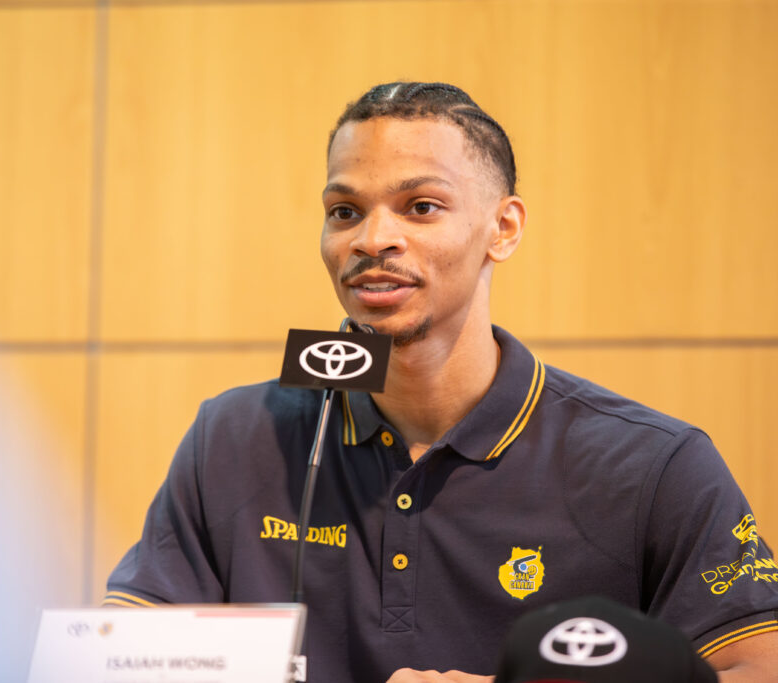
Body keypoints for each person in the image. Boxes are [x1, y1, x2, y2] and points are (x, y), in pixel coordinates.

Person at [103, 82, 778, 682]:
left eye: (420, 206)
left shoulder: (656, 463)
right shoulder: (234, 436)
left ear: (503, 228)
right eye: (344, 211)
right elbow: (124, 654)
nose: (372, 239)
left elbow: (756, 665)